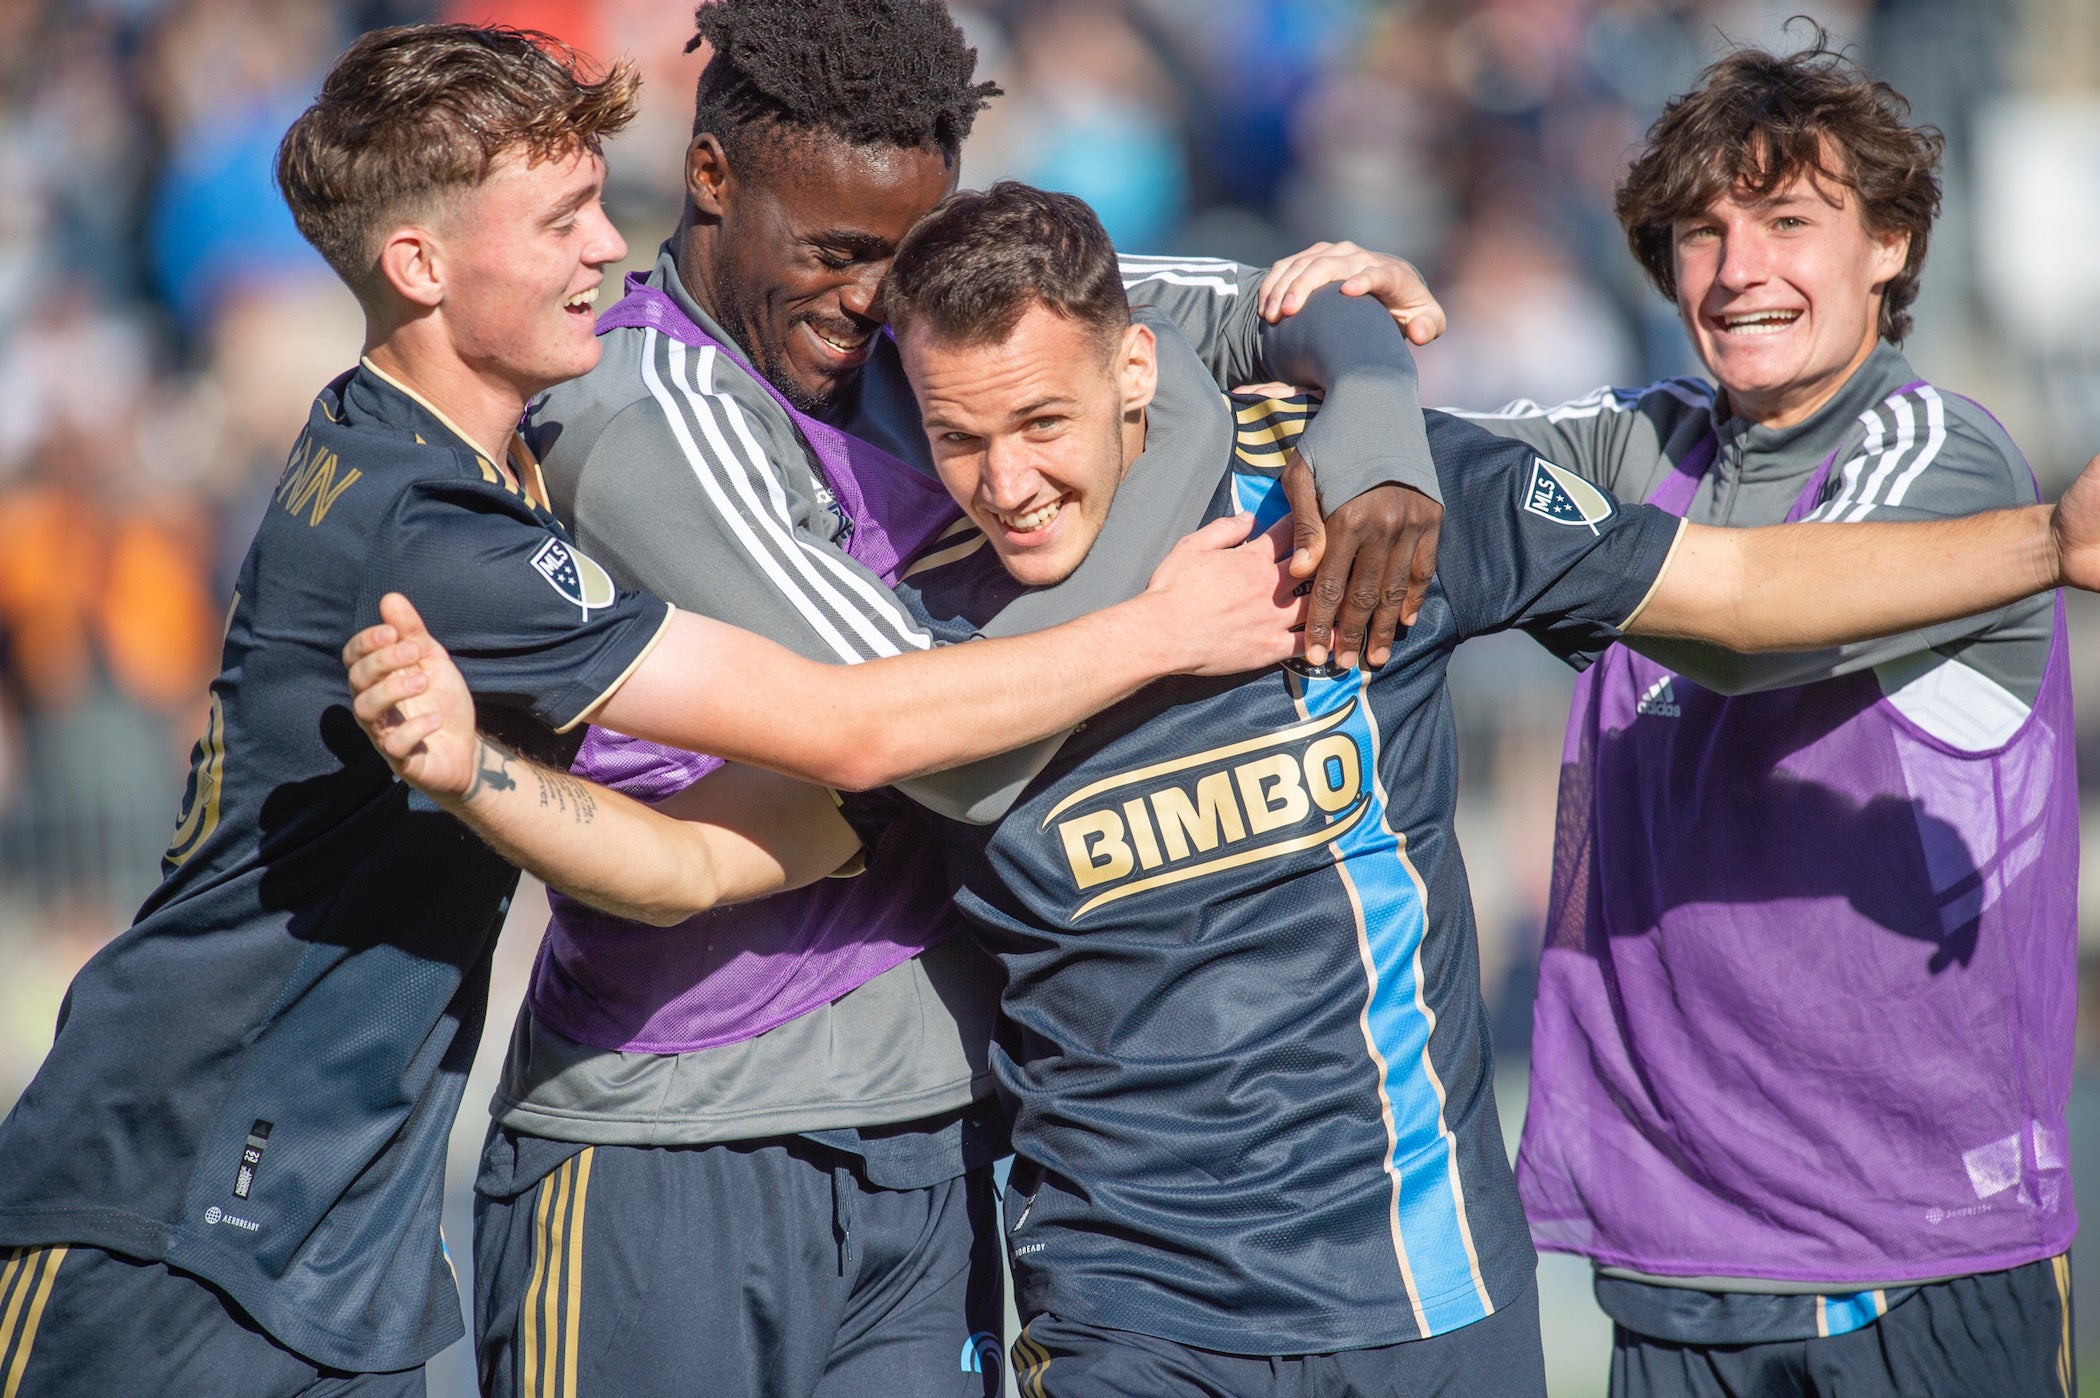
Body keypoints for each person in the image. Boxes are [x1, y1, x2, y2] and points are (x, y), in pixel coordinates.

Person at [345, 181, 2100, 1398]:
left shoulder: (1366, 510)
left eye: (1041, 423)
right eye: (959, 439)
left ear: (1133, 369)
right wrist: (480, 772)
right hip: (1130, 1321)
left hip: (1426, 1297)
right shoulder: (932, 660)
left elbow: (1724, 595)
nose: (1008, 482)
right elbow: (701, 862)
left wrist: (2041, 541)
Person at [0, 32, 1302, 1396]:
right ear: (420, 266)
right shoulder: (439, 524)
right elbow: (851, 730)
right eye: (561, 224)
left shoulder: (454, 466)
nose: (607, 255)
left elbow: (699, 841)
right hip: (169, 1201)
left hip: (336, 1224)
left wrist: (1351, 360)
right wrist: (1164, 629)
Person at [477, 2, 1445, 1394]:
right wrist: (1167, 624)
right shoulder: (640, 408)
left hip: (936, 1130)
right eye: (835, 253)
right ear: (709, 181)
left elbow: (1287, 307)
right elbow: (901, 728)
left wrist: (1374, 439)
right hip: (676, 1135)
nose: (877, 303)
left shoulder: (918, 321)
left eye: (901, 252)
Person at [1266, 33, 2079, 1398]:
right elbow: (1413, 475)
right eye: (1700, 231)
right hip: (1680, 1258)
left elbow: (1747, 632)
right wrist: (1363, 348)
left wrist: (2055, 537)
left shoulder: (1948, 459)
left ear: (1889, 246)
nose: (1738, 267)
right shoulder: (1641, 444)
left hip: (1912, 1255)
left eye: (1788, 222)